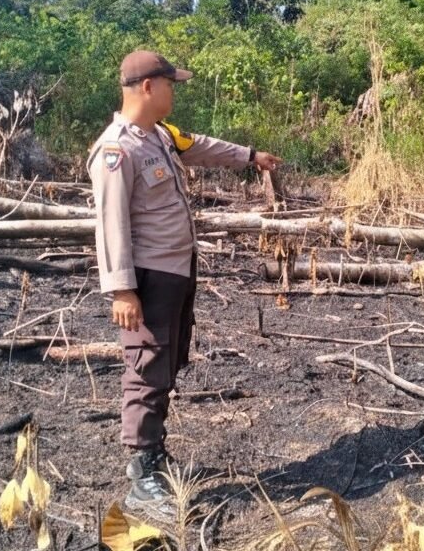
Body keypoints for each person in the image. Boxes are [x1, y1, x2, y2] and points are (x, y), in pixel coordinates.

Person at [87, 50, 282, 519]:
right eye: (171, 83)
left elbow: (203, 146)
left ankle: (156, 456)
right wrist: (121, 290)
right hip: (147, 278)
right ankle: (141, 475)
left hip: (176, 270)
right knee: (145, 367)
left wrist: (250, 157)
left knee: (168, 362)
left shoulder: (160, 136)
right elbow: (109, 225)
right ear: (148, 87)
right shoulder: (117, 149)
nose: (176, 90)